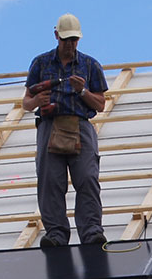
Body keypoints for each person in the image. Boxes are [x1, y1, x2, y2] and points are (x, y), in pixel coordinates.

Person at [22, 14, 109, 246]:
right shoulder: (41, 63)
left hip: (79, 125)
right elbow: (26, 102)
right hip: (50, 126)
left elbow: (100, 104)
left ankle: (91, 232)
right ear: (56, 36)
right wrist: (37, 100)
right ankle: (56, 234)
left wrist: (83, 92)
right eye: (66, 40)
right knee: (50, 181)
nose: (70, 45)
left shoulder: (90, 65)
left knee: (88, 178)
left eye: (74, 40)